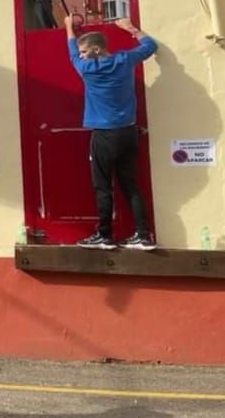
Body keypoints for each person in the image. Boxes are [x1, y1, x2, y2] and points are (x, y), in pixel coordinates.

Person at [65, 15, 157, 250]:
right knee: (130, 185)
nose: (81, 55)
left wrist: (68, 26)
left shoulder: (87, 69)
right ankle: (143, 236)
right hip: (128, 132)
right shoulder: (125, 60)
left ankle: (104, 236)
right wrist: (130, 28)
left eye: (85, 51)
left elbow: (71, 53)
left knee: (102, 186)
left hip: (104, 135)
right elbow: (150, 46)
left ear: (96, 50)